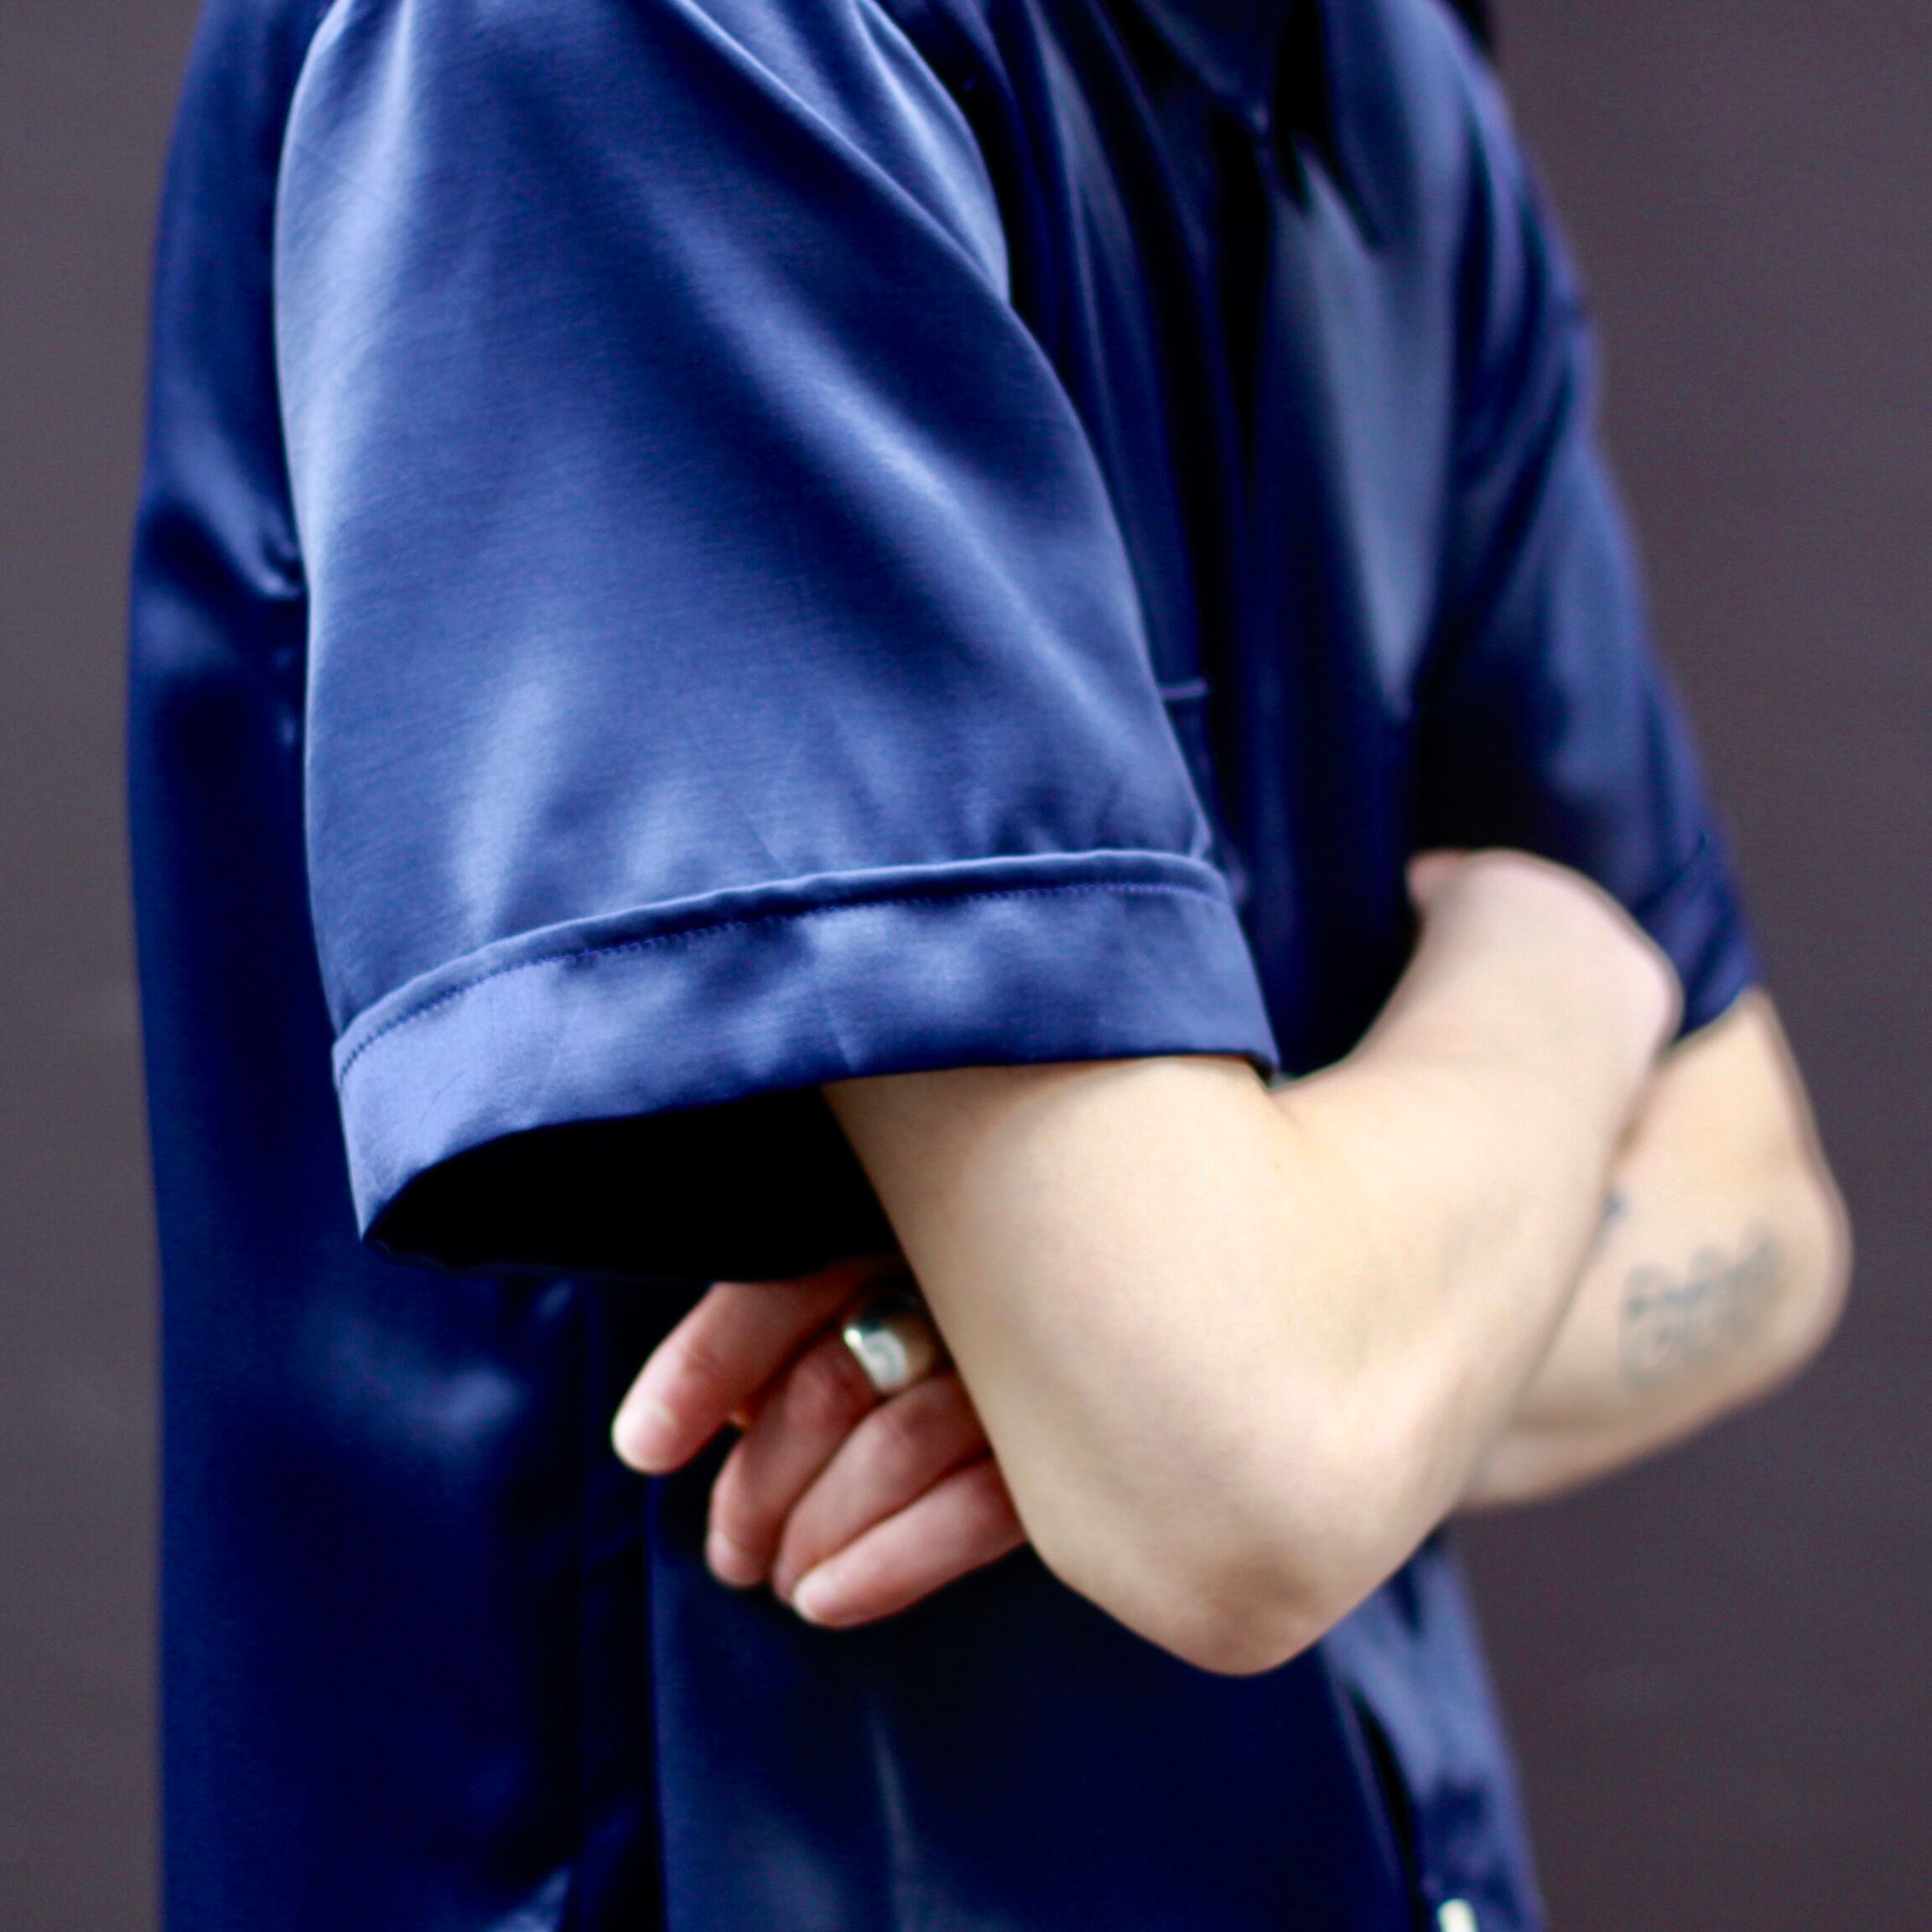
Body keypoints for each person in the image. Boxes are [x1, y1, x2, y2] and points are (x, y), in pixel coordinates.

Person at [128, 0, 1846, 1925]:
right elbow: (1251, 1474)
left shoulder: (1377, 80)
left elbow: (1762, 1222)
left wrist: (1271, 1334)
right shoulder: (664, 39)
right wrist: (1561, 984)